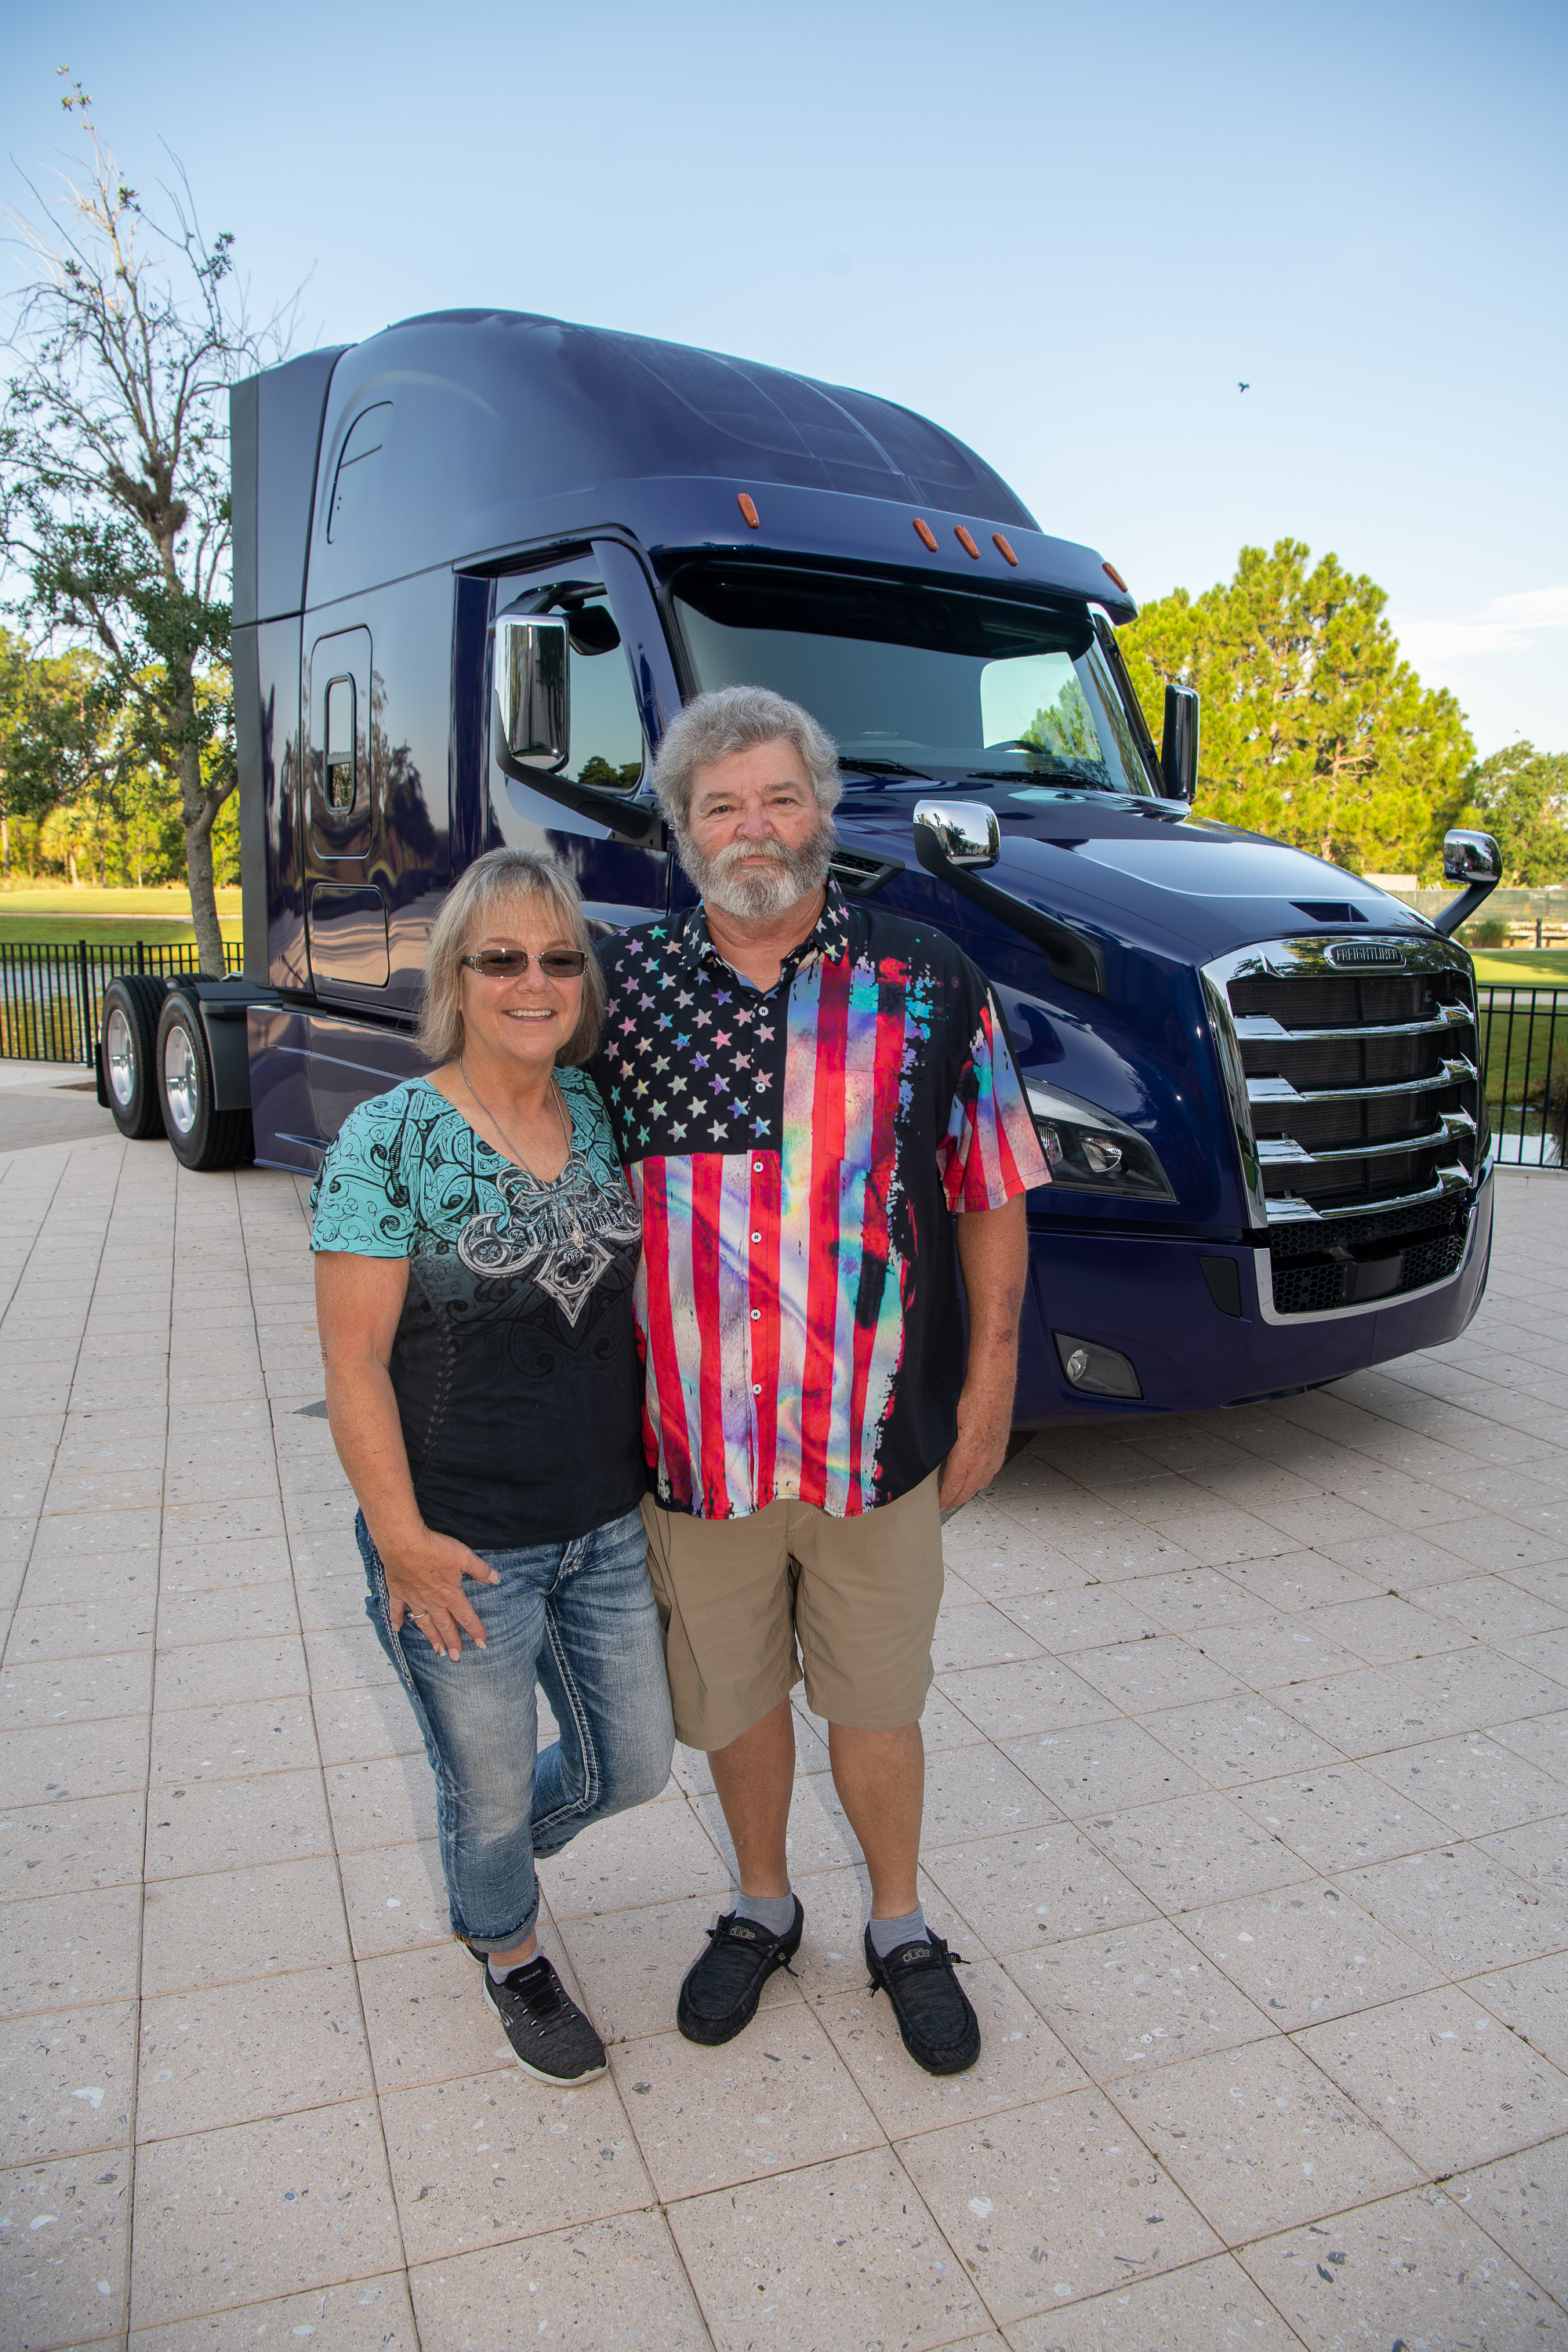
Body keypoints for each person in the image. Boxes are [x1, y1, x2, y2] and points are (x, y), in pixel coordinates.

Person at [591, 684, 1049, 2076]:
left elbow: (990, 1188)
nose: (754, 825)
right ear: (681, 829)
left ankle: (900, 1926)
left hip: (876, 1439)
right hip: (693, 1448)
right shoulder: (621, 992)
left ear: (824, 810)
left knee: (878, 1703)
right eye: (721, 803)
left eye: (778, 796)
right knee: (731, 1705)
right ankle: (761, 1905)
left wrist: (991, 1389)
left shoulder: (926, 979)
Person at [310, 847, 673, 2086]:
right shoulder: (388, 1138)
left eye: (559, 958)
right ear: (457, 977)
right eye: (502, 958)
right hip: (460, 1545)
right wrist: (402, 1542)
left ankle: (491, 1843)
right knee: (488, 1795)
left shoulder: (607, 1117)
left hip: (605, 1528)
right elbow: (353, 1365)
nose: (534, 980)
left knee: (634, 1765)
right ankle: (506, 1944)